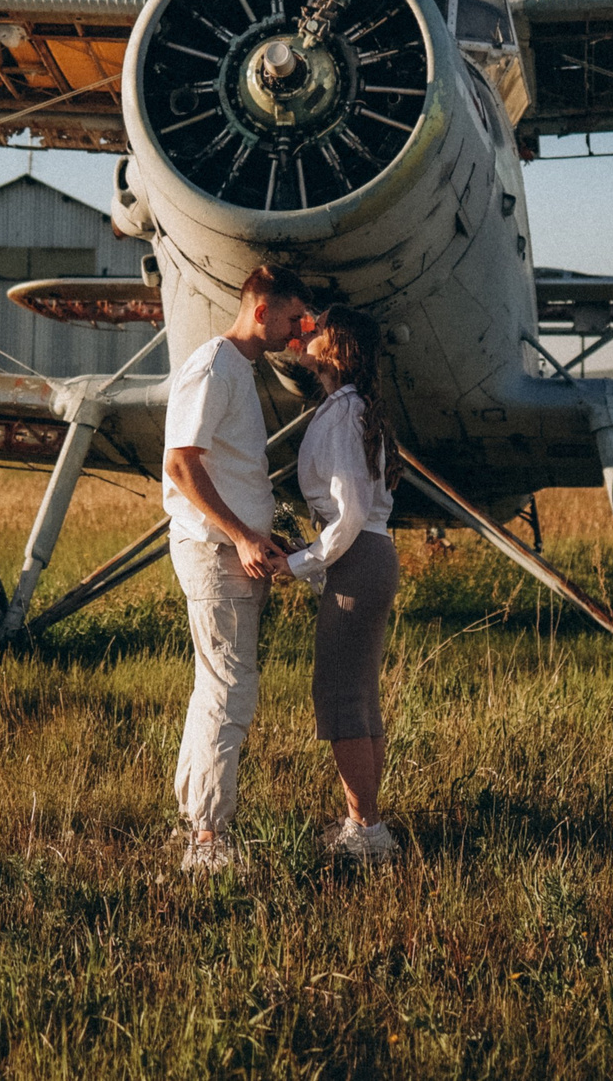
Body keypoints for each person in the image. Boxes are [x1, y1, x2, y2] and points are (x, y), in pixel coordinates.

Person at [162, 262, 312, 872]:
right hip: (216, 553)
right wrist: (243, 535)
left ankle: (195, 821)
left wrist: (258, 533)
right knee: (230, 690)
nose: (298, 330)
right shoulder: (213, 367)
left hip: (234, 550)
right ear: (260, 311)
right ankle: (206, 843)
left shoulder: (236, 369)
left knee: (215, 686)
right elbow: (180, 464)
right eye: (292, 318)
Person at [288, 304, 403, 864]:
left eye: (318, 328)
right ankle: (367, 825)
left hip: (355, 555)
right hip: (371, 555)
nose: (306, 332)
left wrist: (303, 561)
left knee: (340, 700)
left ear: (337, 348)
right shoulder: (353, 407)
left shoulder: (342, 413)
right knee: (359, 697)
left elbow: (350, 510)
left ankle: (367, 833)